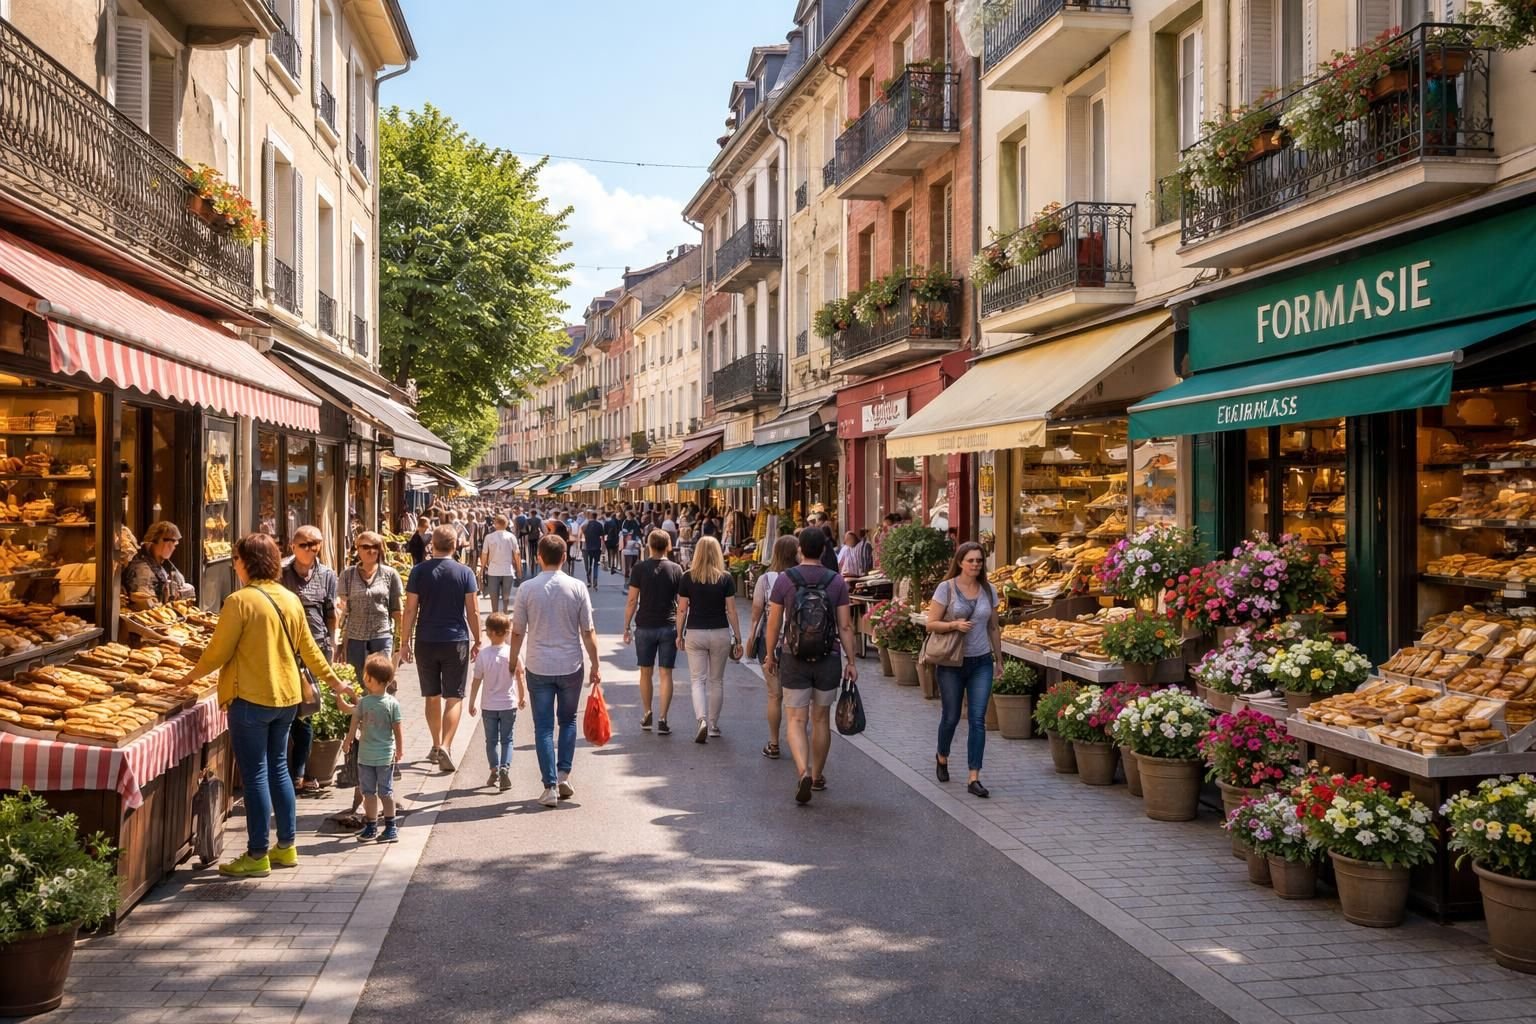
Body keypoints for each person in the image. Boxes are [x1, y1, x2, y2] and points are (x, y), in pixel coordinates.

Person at [177, 533, 344, 877]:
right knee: (279, 769)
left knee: (255, 776)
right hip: (286, 699)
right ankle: (286, 846)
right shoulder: (290, 598)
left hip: (251, 700)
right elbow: (310, 650)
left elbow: (217, 654)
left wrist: (187, 678)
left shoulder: (240, 601)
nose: (234, 565)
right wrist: (336, 683)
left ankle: (256, 854)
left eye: (236, 559)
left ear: (246, 563)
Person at [764, 528, 859, 805]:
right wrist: (851, 661)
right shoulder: (836, 581)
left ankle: (802, 770)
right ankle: (817, 775)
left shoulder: (785, 579)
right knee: (820, 719)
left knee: (795, 719)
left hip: (793, 657)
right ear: (824, 551)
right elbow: (845, 625)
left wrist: (770, 654)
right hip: (828, 657)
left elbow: (774, 622)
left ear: (800, 550)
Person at [508, 534, 600, 808]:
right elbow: (588, 631)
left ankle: (549, 786)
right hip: (571, 664)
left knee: (544, 727)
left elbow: (517, 632)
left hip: (538, 665)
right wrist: (595, 663)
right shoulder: (577, 587)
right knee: (568, 721)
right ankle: (563, 774)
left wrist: (513, 662)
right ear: (564, 557)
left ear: (538, 557)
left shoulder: (526, 589)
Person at [400, 525, 482, 774]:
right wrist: (478, 639)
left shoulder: (418, 572)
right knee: (454, 696)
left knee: (432, 695)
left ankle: (436, 744)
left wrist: (404, 641)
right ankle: (447, 744)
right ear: (455, 545)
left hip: (425, 639)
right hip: (455, 639)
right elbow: (473, 610)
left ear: (430, 544)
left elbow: (410, 609)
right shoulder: (465, 572)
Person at [925, 541, 1001, 799]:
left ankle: (974, 776)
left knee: (978, 720)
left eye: (979, 561)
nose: (976, 565)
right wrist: (954, 625)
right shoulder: (946, 588)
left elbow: (993, 627)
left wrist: (998, 660)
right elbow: (930, 624)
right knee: (951, 717)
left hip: (981, 662)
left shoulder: (989, 591)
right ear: (960, 562)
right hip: (951, 663)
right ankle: (942, 755)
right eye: (971, 560)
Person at [281, 525, 339, 798]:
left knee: (305, 712)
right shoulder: (281, 573)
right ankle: (285, 774)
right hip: (285, 651)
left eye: (315, 544)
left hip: (315, 649)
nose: (310, 549)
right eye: (304, 544)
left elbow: (331, 611)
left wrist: (334, 640)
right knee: (286, 712)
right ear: (293, 546)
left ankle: (300, 774)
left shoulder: (327, 574)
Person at [675, 535, 742, 745]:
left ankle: (701, 719)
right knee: (716, 681)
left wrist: (679, 634)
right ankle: (713, 725)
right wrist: (738, 637)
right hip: (720, 632)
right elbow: (731, 610)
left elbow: (682, 609)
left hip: (695, 632)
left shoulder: (688, 577)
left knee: (697, 680)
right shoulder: (725, 578)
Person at [622, 529, 684, 736]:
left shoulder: (639, 568)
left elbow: (632, 600)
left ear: (649, 546)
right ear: (668, 546)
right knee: (666, 673)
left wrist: (626, 626)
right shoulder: (676, 569)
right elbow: (682, 603)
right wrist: (681, 631)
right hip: (668, 625)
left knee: (645, 672)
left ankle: (647, 711)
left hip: (645, 625)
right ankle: (663, 718)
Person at [749, 535, 800, 761]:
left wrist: (751, 636)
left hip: (769, 643)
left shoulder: (766, 579)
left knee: (774, 695)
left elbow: (756, 611)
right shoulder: (800, 577)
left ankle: (774, 742)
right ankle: (796, 740)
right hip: (796, 642)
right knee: (796, 696)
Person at [344, 655, 404, 843]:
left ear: (371, 679)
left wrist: (400, 749)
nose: (364, 678)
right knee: (368, 792)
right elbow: (355, 720)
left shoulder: (392, 704)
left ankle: (390, 827)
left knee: (385, 792)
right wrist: (349, 739)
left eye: (366, 675)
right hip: (365, 756)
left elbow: (397, 728)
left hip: (384, 756)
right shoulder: (364, 702)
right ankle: (371, 826)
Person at [467, 611, 526, 792]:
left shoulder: (483, 656)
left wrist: (472, 702)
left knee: (491, 741)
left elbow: (476, 681)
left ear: (489, 632)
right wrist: (522, 697)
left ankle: (494, 769)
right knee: (507, 739)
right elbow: (520, 677)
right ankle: (504, 768)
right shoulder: (512, 654)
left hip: (489, 706)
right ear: (507, 632)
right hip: (508, 704)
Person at [121, 520, 195, 608]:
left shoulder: (162, 563)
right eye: (174, 542)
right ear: (163, 542)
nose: (174, 547)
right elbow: (148, 605)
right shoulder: (142, 569)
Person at [479, 514, 522, 614]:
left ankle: (495, 616)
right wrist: (519, 569)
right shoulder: (511, 537)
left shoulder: (489, 537)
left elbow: (484, 554)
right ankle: (505, 614)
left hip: (493, 570)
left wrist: (482, 569)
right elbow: (517, 555)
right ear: (506, 524)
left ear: (495, 524)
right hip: (508, 570)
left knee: (494, 596)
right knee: (506, 597)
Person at [580, 509, 606, 589]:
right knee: (596, 565)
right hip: (597, 547)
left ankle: (588, 580)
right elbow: (602, 536)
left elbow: (582, 534)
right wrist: (603, 546)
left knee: (588, 565)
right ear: (596, 516)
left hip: (588, 546)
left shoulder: (585, 525)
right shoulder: (599, 525)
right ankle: (595, 580)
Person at [603, 509, 622, 575]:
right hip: (614, 539)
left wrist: (605, 540)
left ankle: (609, 565)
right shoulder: (615, 523)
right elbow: (616, 532)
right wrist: (617, 540)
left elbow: (604, 532)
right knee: (614, 553)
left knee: (609, 553)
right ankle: (612, 567)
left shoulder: (606, 523)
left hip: (608, 539)